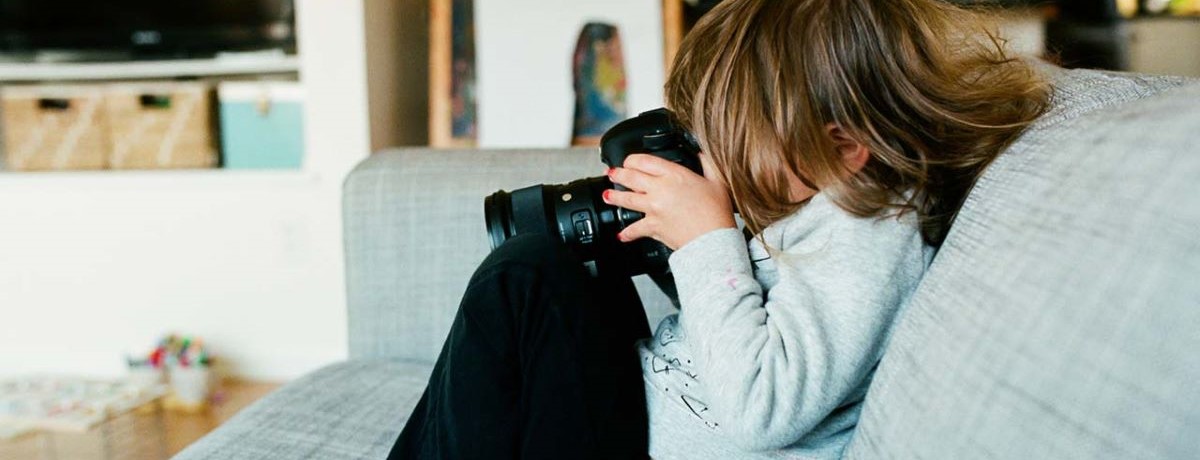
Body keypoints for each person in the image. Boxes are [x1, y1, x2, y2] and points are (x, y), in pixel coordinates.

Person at [389, 0, 1051, 458]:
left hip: (648, 446)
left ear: (846, 146)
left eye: (734, 141)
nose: (716, 160)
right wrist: (677, 249)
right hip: (639, 417)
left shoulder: (869, 235)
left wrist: (708, 241)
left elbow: (761, 409)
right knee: (561, 268)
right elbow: (744, 323)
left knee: (520, 280)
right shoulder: (823, 204)